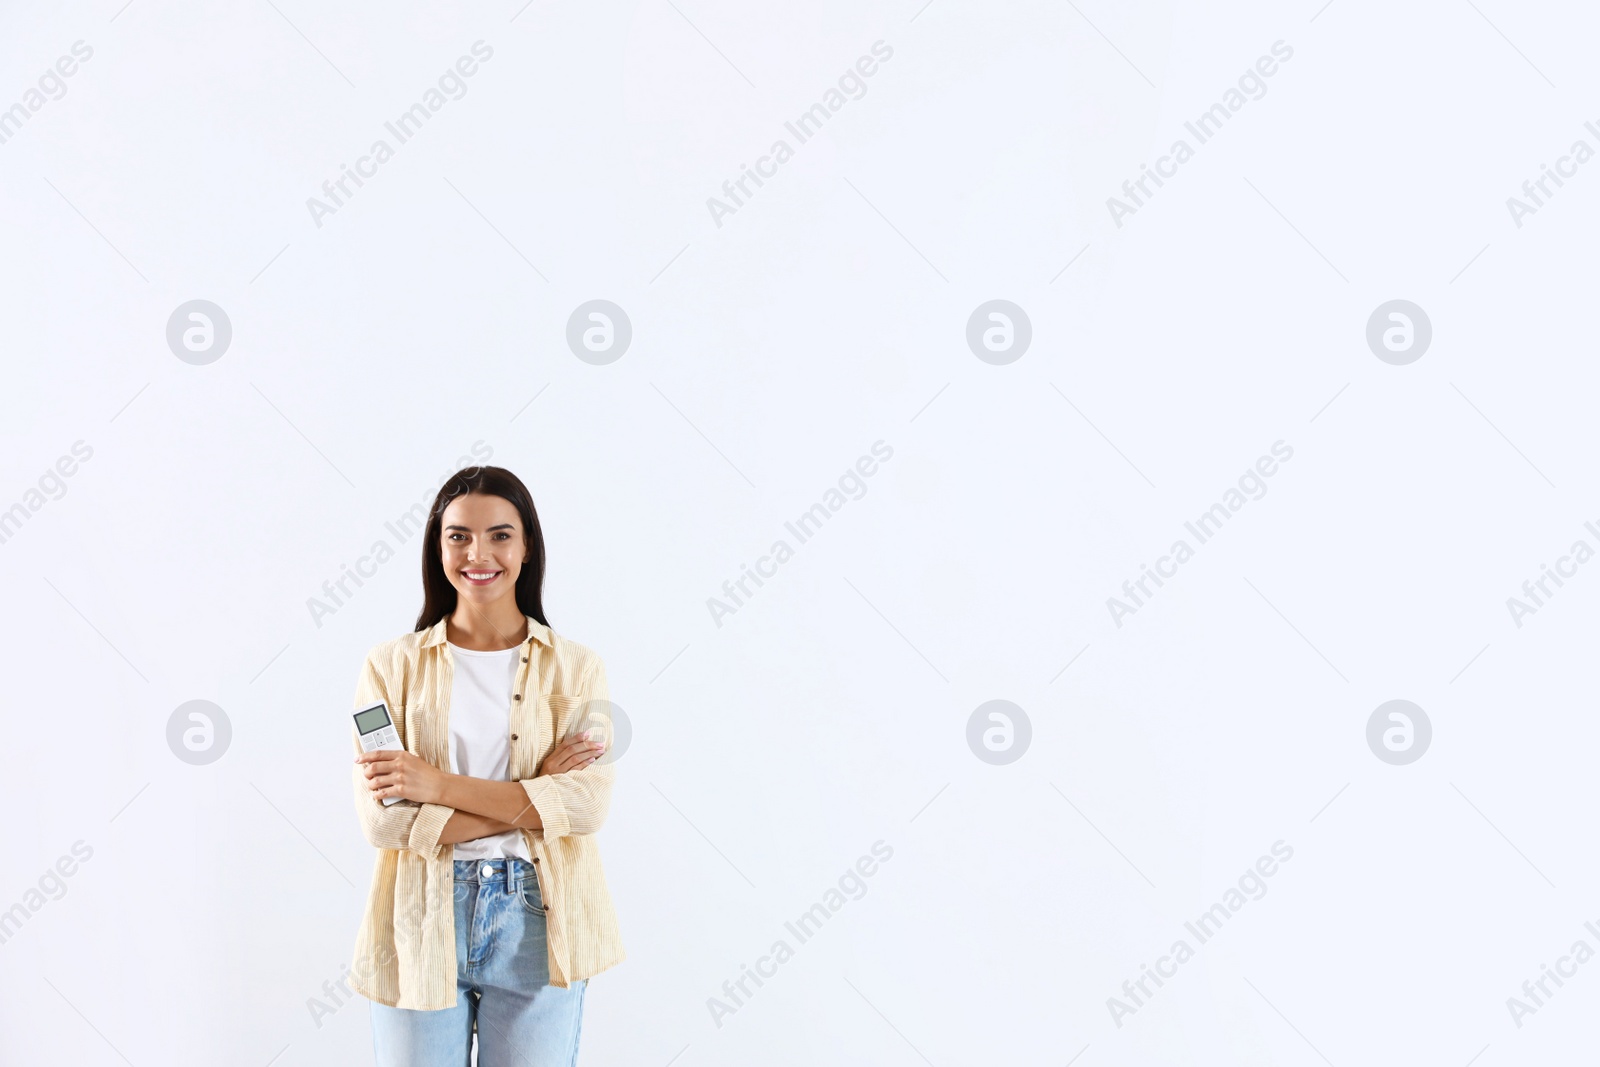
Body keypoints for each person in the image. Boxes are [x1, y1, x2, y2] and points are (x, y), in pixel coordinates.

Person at [348, 465, 623, 1066]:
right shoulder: (389, 667)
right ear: (437, 547)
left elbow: (585, 807)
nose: (479, 553)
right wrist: (536, 797)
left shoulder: (576, 668)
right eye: (458, 536)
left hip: (539, 919)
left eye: (500, 535)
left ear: (527, 548)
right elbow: (385, 824)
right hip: (419, 915)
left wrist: (436, 786)